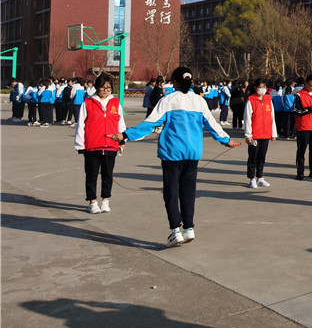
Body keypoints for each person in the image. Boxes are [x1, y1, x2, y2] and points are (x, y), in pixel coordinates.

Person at [112, 67, 238, 247]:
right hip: (192, 153)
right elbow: (212, 124)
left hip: (172, 153)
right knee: (188, 192)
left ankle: (175, 231)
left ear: (175, 82)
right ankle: (189, 228)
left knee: (171, 192)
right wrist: (226, 140)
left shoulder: (168, 100)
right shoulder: (199, 101)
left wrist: (125, 135)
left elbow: (150, 124)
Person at [74, 73, 127, 214]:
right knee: (91, 176)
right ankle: (92, 202)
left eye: (108, 88)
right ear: (97, 87)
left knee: (108, 175)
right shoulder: (88, 103)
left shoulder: (115, 103)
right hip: (92, 146)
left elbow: (120, 123)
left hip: (111, 145)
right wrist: (80, 145)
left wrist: (122, 140)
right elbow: (81, 125)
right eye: (103, 88)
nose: (105, 91)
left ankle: (105, 200)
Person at [244, 78, 278, 188]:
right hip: (255, 134)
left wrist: (273, 133)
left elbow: (272, 116)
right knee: (253, 157)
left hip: (266, 133)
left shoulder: (268, 99)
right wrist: (248, 135)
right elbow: (247, 118)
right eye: (260, 87)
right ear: (255, 88)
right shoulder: (251, 100)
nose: (262, 89)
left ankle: (260, 177)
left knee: (262, 156)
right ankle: (252, 178)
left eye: (264, 87)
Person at [293, 74, 312, 180]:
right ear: (305, 84)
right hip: (304, 126)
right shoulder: (299, 95)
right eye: (311, 85)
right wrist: (310, 109)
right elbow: (297, 110)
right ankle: (300, 172)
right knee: (301, 150)